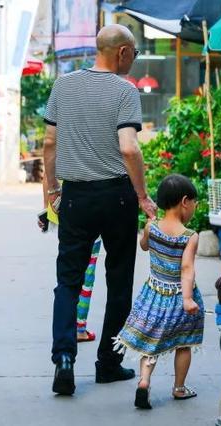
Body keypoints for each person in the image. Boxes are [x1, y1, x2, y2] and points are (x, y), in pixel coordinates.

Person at [43, 24, 157, 396]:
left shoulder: (64, 84)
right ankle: (108, 364)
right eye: (135, 54)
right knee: (119, 280)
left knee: (68, 282)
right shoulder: (125, 90)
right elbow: (129, 148)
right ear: (122, 52)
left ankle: (64, 358)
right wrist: (142, 196)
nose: (133, 60)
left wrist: (52, 192)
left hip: (75, 197)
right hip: (117, 197)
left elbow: (49, 143)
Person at [117, 174, 204, 409]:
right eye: (195, 203)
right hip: (178, 297)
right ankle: (179, 388)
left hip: (154, 294)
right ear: (185, 201)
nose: (194, 208)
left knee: (150, 342)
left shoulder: (152, 226)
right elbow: (187, 268)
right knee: (184, 343)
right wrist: (187, 299)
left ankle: (144, 382)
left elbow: (144, 245)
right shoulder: (189, 236)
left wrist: (149, 226)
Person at [39, 178, 100, 343]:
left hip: (66, 212)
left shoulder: (62, 151)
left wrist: (47, 209)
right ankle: (80, 328)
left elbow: (48, 175)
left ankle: (66, 331)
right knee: (88, 272)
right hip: (92, 209)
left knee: (67, 275)